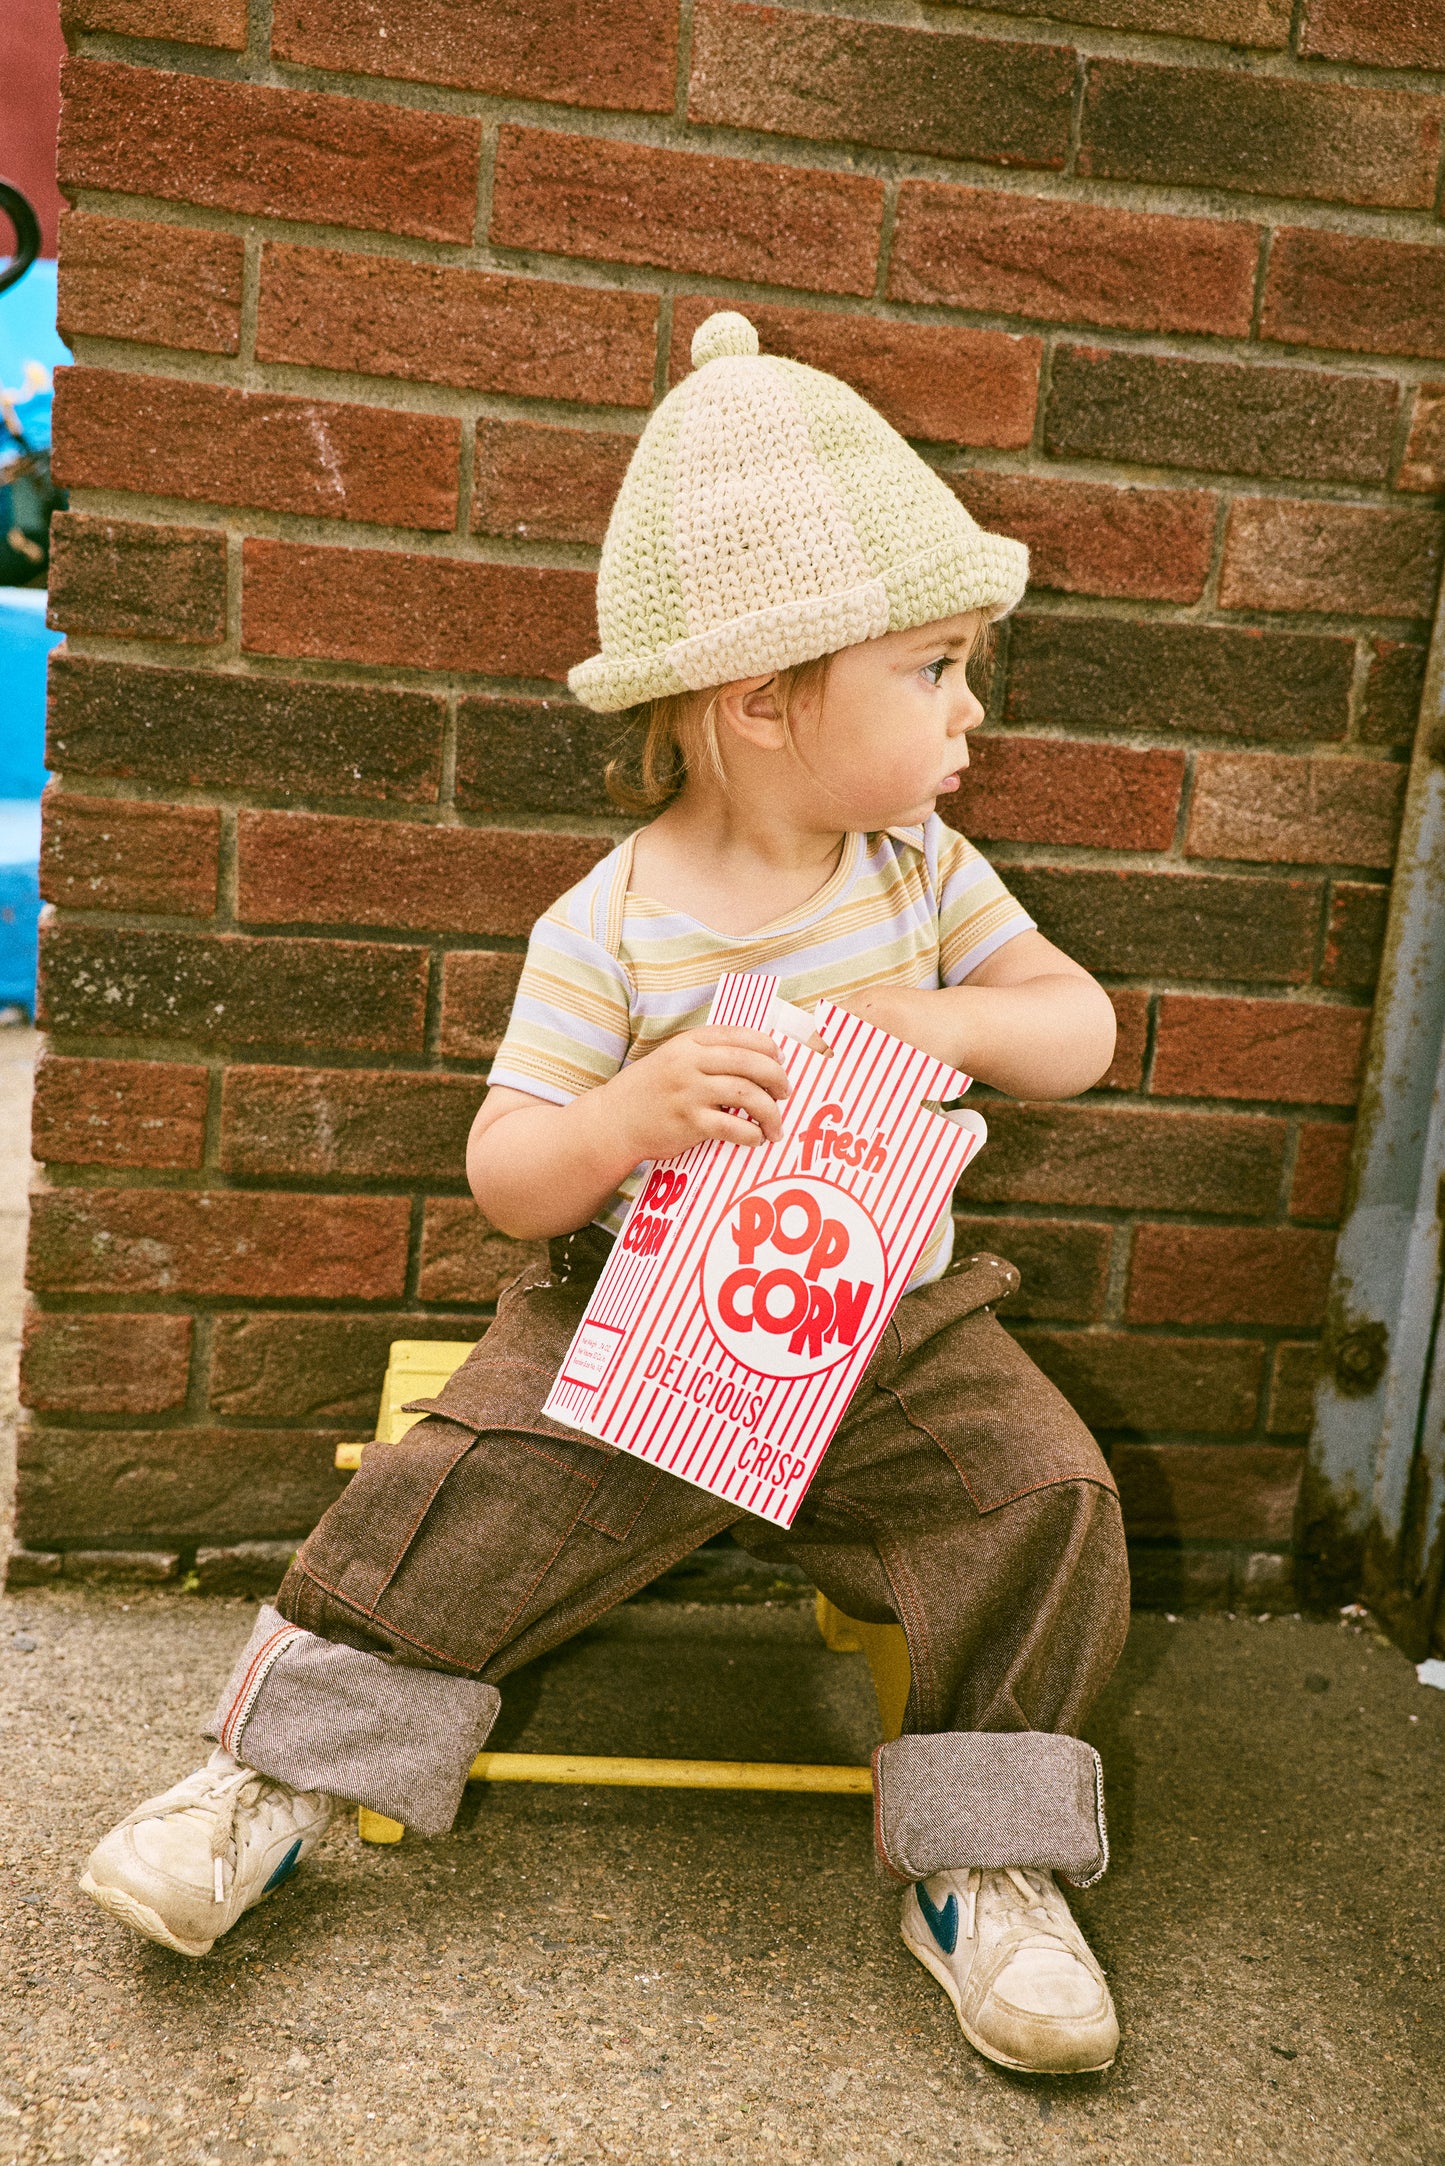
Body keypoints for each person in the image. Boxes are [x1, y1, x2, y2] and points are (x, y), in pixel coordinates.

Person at [80, 312, 1130, 2078]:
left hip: (887, 1323)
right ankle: (257, 1784)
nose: (971, 710)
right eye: (934, 667)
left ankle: (988, 1862)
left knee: (1046, 1492)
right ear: (764, 700)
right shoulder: (614, 922)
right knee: (457, 1489)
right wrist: (633, 1110)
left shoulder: (925, 870)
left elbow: (1076, 1031)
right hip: (634, 1315)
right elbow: (506, 1175)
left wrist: (932, 1008)